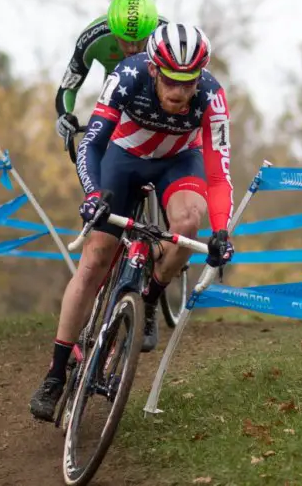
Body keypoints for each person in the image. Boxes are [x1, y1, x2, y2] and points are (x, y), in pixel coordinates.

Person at [29, 22, 235, 422]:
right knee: (95, 260)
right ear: (155, 70)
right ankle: (55, 375)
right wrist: (93, 197)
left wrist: (222, 230)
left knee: (190, 223)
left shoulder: (212, 97)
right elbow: (92, 142)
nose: (180, 92)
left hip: (179, 161)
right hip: (123, 157)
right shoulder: (128, 75)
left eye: (189, 81)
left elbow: (218, 174)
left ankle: (150, 298)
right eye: (172, 80)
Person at [55, 0, 167, 145]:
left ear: (151, 32)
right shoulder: (92, 38)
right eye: (125, 41)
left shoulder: (166, 35)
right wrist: (64, 116)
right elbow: (68, 88)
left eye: (140, 40)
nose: (133, 48)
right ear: (113, 33)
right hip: (114, 97)